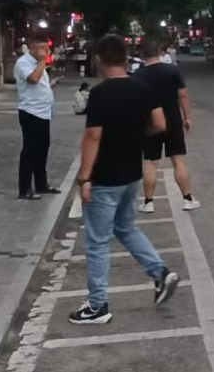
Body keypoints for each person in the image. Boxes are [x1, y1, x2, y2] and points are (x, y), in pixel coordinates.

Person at [70, 35, 179, 325]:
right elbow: (160, 124)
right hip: (132, 173)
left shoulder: (100, 94)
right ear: (125, 57)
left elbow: (93, 136)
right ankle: (160, 273)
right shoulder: (142, 87)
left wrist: (84, 177)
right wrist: (135, 134)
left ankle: (97, 305)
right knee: (125, 228)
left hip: (105, 177)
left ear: (98, 59)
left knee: (97, 242)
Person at [132, 40, 200, 213]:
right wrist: (187, 117)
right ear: (160, 52)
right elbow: (183, 95)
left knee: (150, 162)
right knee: (178, 160)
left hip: (150, 124)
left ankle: (148, 202)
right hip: (173, 120)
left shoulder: (138, 75)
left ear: (142, 54)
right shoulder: (172, 71)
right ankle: (187, 199)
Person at [14, 35, 60, 200]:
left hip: (44, 112)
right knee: (30, 151)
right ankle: (24, 189)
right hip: (31, 112)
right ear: (33, 48)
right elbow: (33, 79)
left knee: (42, 150)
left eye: (48, 49)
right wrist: (42, 62)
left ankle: (41, 184)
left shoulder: (38, 63)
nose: (47, 52)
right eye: (44, 49)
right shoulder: (23, 63)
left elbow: (39, 82)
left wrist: (50, 85)